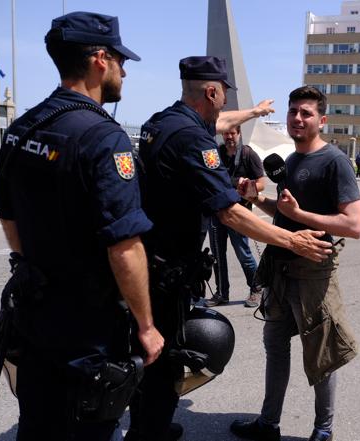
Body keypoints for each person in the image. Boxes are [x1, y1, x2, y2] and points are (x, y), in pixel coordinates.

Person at [127, 58, 332, 441]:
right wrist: (292, 239)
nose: (224, 105)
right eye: (222, 94)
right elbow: (230, 213)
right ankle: (147, 432)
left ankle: (145, 424)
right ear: (212, 91)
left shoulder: (163, 121)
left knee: (148, 353)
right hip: (166, 270)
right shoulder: (193, 139)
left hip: (148, 259)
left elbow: (219, 123)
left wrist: (253, 112)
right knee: (166, 358)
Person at [0, 12, 164, 440]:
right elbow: (124, 246)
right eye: (121, 61)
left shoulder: (22, 128)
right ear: (99, 60)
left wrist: (29, 262)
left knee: (38, 424)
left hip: (33, 313)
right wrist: (146, 325)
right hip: (86, 331)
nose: (124, 71)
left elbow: (7, 213)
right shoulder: (104, 137)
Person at [230, 86, 360, 441]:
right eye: (293, 112)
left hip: (313, 273)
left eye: (305, 113)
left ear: (321, 120)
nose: (297, 119)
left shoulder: (335, 161)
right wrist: (257, 198)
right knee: (275, 348)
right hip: (281, 270)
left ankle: (323, 429)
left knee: (321, 355)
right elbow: (285, 215)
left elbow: (354, 225)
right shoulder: (290, 161)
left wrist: (300, 213)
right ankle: (268, 423)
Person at [206, 125, 266, 308]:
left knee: (243, 253)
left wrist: (248, 187)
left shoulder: (248, 154)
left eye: (233, 133)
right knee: (217, 255)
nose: (229, 137)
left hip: (239, 212)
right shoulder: (216, 153)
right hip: (217, 212)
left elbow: (262, 183)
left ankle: (256, 288)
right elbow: (210, 176)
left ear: (239, 133)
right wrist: (234, 182)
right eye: (226, 133)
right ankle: (222, 293)